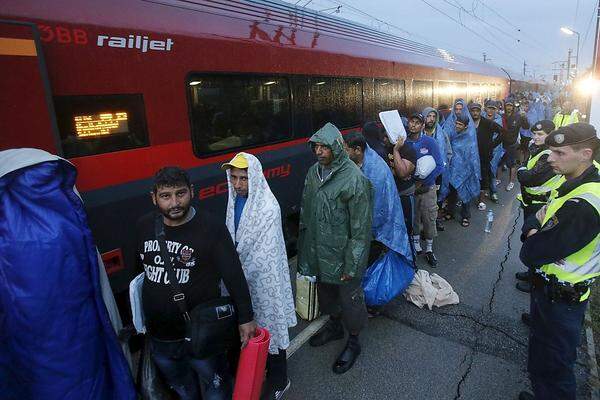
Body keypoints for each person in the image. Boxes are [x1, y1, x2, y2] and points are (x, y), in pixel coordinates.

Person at [136, 166, 256, 400]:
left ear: (192, 191)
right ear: (154, 198)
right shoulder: (144, 226)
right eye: (165, 196)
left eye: (180, 194)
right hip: (161, 335)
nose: (174, 203)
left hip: (204, 333)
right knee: (181, 387)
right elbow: (139, 274)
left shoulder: (211, 227)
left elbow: (233, 275)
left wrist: (246, 318)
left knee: (216, 387)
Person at [519, 123, 600, 400]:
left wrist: (533, 233)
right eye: (550, 151)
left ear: (585, 153)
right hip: (548, 292)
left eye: (559, 152)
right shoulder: (573, 182)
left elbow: (531, 251)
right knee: (542, 358)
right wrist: (534, 229)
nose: (550, 158)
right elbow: (537, 216)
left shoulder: (585, 203)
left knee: (555, 369)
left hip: (562, 301)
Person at [297, 122, 372, 375]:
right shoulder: (313, 173)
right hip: (320, 252)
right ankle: (334, 324)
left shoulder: (354, 180)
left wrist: (352, 265)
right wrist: (306, 253)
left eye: (324, 147)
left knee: (350, 299)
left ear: (337, 148)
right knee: (326, 294)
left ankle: (353, 340)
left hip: (343, 255)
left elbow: (361, 229)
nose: (319, 152)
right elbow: (306, 215)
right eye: (315, 147)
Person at [221, 153, 297, 400]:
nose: (238, 184)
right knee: (247, 326)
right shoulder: (233, 201)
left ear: (255, 177)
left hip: (265, 282)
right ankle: (256, 369)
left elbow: (266, 252)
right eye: (233, 177)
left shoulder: (268, 208)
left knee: (270, 325)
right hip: (240, 278)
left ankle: (280, 379)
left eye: (243, 178)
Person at [343, 132, 414, 314]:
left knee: (372, 264)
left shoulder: (376, 171)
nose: (344, 153)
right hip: (367, 227)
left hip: (378, 228)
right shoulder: (360, 161)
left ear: (358, 150)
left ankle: (372, 303)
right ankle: (366, 298)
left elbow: (378, 208)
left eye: (346, 150)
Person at [515, 120, 561, 294]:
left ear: (550, 135)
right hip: (531, 202)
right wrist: (523, 169)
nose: (535, 137)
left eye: (540, 134)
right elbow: (526, 169)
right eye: (534, 134)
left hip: (541, 205)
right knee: (529, 239)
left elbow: (529, 177)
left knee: (536, 241)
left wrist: (521, 170)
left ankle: (535, 281)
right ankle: (531, 272)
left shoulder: (549, 154)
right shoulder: (538, 149)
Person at [405, 113, 445, 266]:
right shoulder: (404, 143)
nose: (413, 125)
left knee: (429, 218)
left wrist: (424, 182)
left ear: (422, 126)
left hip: (428, 188)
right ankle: (416, 244)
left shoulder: (430, 142)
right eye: (411, 122)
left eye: (417, 123)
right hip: (411, 189)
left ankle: (429, 249)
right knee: (414, 217)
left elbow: (439, 165)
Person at [442, 110, 481, 227]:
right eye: (456, 123)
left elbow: (473, 156)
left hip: (466, 170)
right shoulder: (452, 135)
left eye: (460, 124)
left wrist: (472, 170)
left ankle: (465, 216)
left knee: (465, 194)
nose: (457, 126)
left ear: (466, 126)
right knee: (452, 192)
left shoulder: (469, 138)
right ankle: (450, 212)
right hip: (453, 169)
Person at [469, 103, 505, 210]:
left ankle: (481, 200)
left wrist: (492, 145)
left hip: (483, 155)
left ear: (481, 111)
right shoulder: (468, 122)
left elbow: (502, 132)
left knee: (483, 176)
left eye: (477, 111)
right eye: (473, 111)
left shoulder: (487, 123)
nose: (475, 113)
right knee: (469, 176)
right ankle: (467, 197)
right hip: (470, 155)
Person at [500, 99, 530, 191]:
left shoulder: (518, 117)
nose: (509, 107)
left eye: (510, 106)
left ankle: (511, 182)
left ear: (513, 107)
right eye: (507, 105)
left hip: (513, 144)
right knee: (499, 163)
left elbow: (526, 127)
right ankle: (497, 179)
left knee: (512, 165)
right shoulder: (502, 116)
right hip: (501, 144)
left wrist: (524, 118)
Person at [486, 100, 505, 202]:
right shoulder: (480, 117)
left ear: (496, 110)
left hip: (494, 149)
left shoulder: (498, 119)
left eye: (493, 108)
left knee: (492, 170)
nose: (490, 110)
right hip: (482, 148)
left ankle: (493, 192)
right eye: (489, 108)